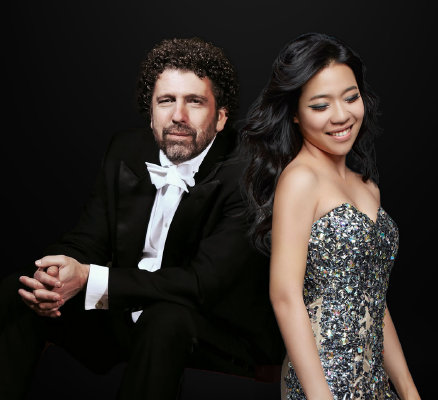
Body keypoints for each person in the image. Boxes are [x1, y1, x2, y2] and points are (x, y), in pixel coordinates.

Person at [0, 37, 283, 400]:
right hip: (127, 315)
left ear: (222, 115)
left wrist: (89, 279)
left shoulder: (249, 174)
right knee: (19, 291)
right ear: (151, 113)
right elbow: (89, 239)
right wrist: (55, 274)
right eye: (166, 101)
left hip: (215, 331)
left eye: (194, 101)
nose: (178, 116)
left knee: (164, 319)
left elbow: (200, 285)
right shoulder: (125, 149)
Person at [238, 33, 421, 399]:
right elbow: (286, 297)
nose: (341, 115)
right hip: (322, 381)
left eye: (351, 97)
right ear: (294, 111)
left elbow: (374, 301)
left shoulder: (367, 186)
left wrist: (408, 391)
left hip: (373, 382)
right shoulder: (300, 179)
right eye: (320, 106)